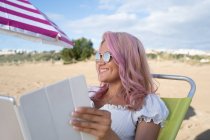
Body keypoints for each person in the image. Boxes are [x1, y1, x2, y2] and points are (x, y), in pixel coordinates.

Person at [70, 31, 169, 140]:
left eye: (107, 56)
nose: (100, 62)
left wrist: (109, 136)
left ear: (127, 59)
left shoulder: (147, 104)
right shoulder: (89, 92)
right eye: (99, 56)